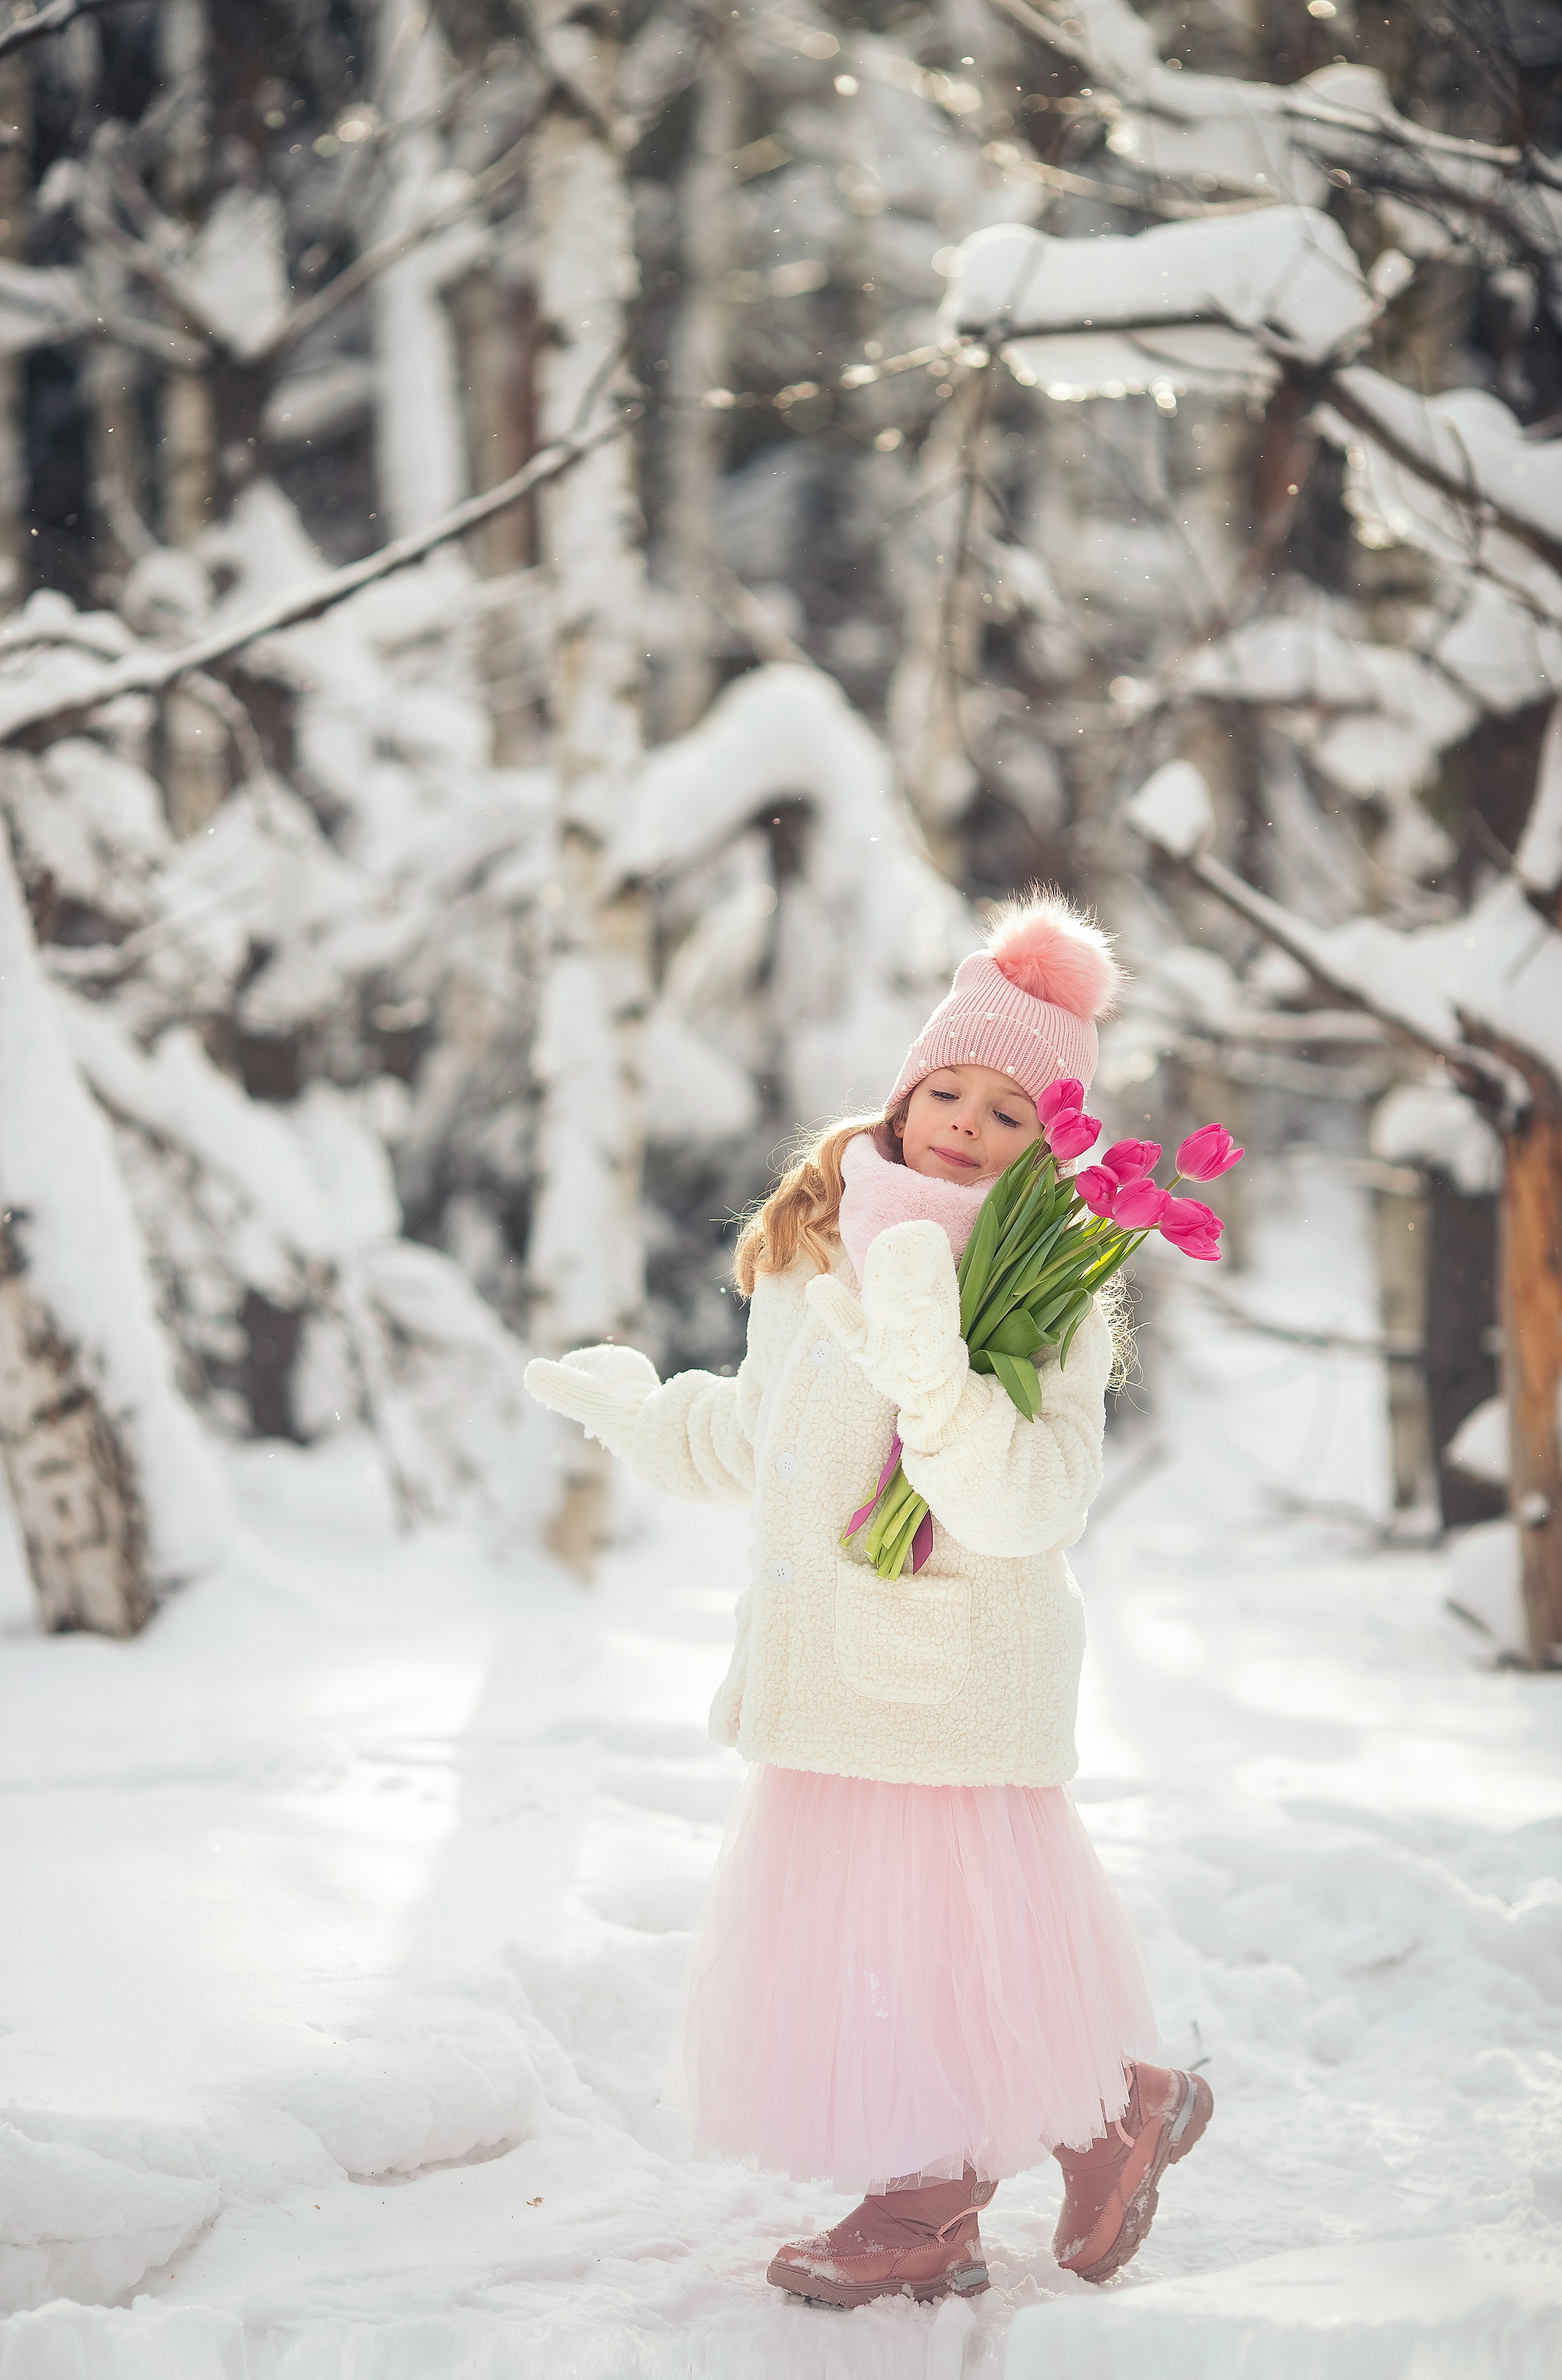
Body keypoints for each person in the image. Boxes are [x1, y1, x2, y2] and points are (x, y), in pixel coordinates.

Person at [525, 891, 1212, 2309]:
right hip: (826, 1675)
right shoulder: (828, 1240)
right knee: (891, 1952)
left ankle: (925, 2201)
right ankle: (1111, 2106)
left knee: (933, 1956)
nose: (962, 1122)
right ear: (902, 1092)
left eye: (1009, 1111)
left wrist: (930, 1360)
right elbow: (768, 1438)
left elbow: (1023, 1504)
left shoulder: (1048, 1292)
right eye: (943, 1087)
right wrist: (644, 1413)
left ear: (1053, 1145)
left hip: (947, 1679)